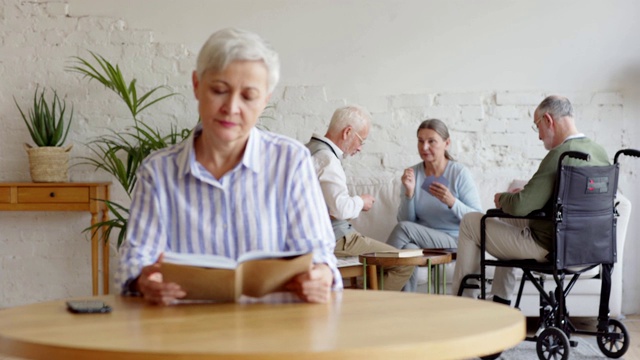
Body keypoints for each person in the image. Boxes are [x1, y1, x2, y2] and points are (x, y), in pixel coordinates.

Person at [117, 28, 341, 305]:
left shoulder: (291, 162)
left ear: (265, 100)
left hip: (277, 334)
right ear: (197, 85)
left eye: (248, 96)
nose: (232, 107)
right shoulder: (158, 171)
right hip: (185, 333)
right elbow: (134, 262)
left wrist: (321, 275)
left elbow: (320, 256)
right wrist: (144, 280)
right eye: (219, 90)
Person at [452, 95, 610, 304]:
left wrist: (504, 198)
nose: (539, 136)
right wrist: (528, 192)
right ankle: (500, 298)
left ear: (548, 120)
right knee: (506, 221)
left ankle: (462, 304)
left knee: (472, 222)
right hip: (588, 248)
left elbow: (520, 206)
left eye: (537, 126)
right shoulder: (599, 152)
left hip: (549, 246)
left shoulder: (559, 155)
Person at [306, 105, 413, 291]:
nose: (360, 148)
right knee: (404, 262)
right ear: (347, 132)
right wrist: (361, 201)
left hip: (313, 234)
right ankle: (371, 313)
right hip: (335, 237)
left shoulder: (306, 150)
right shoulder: (327, 160)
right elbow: (341, 208)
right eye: (361, 140)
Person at [386, 119, 482, 291]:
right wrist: (409, 194)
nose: (424, 147)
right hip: (422, 241)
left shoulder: (459, 173)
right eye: (420, 141)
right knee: (408, 250)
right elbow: (408, 221)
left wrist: (452, 202)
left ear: (447, 143)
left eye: (431, 141)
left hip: (454, 240)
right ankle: (405, 309)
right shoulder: (413, 173)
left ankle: (376, 287)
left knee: (402, 229)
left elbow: (478, 218)